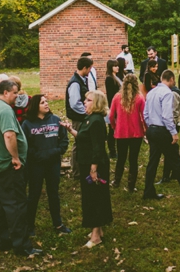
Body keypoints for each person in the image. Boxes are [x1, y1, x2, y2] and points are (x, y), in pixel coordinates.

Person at [0, 80, 42, 257]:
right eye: (15, 93)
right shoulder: (4, 109)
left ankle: (2, 241)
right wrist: (15, 158)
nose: (18, 96)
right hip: (6, 166)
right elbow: (9, 135)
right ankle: (22, 245)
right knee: (16, 205)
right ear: (6, 92)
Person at [142, 70, 180, 200]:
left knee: (152, 162)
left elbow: (145, 114)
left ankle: (148, 192)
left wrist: (150, 127)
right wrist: (174, 133)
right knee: (174, 160)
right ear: (171, 79)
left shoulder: (151, 93)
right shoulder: (167, 93)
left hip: (151, 129)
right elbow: (167, 116)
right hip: (163, 131)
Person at [65, 90, 113, 248]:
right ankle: (98, 229)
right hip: (87, 164)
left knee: (94, 198)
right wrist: (70, 130)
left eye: (89, 100)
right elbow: (85, 137)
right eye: (85, 99)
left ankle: (96, 235)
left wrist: (93, 170)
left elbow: (98, 148)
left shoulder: (97, 121)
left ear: (97, 103)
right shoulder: (89, 119)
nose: (85, 102)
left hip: (95, 165)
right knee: (92, 197)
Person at [21, 95, 71, 236]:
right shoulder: (27, 124)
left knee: (53, 194)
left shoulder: (55, 120)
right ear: (35, 105)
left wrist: (56, 152)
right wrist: (37, 155)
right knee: (34, 195)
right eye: (42, 102)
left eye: (47, 101)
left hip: (53, 164)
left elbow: (64, 140)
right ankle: (30, 226)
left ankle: (58, 224)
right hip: (36, 165)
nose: (46, 104)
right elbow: (25, 145)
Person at [109, 74, 146, 192]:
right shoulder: (140, 98)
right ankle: (131, 185)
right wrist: (146, 129)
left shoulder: (117, 97)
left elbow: (111, 116)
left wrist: (114, 126)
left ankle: (116, 181)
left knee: (121, 157)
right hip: (136, 133)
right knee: (133, 159)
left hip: (121, 132)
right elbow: (144, 116)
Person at [66, 56, 93, 179]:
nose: (90, 71)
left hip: (81, 116)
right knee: (78, 143)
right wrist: (87, 112)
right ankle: (77, 172)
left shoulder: (81, 79)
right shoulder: (75, 83)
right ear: (84, 68)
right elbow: (74, 103)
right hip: (78, 117)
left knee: (82, 142)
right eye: (89, 68)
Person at [104, 59, 122, 159]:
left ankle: (115, 150)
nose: (117, 67)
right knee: (112, 130)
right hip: (113, 107)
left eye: (118, 65)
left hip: (119, 106)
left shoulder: (116, 77)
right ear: (111, 67)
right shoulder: (109, 79)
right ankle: (112, 151)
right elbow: (111, 96)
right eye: (115, 66)